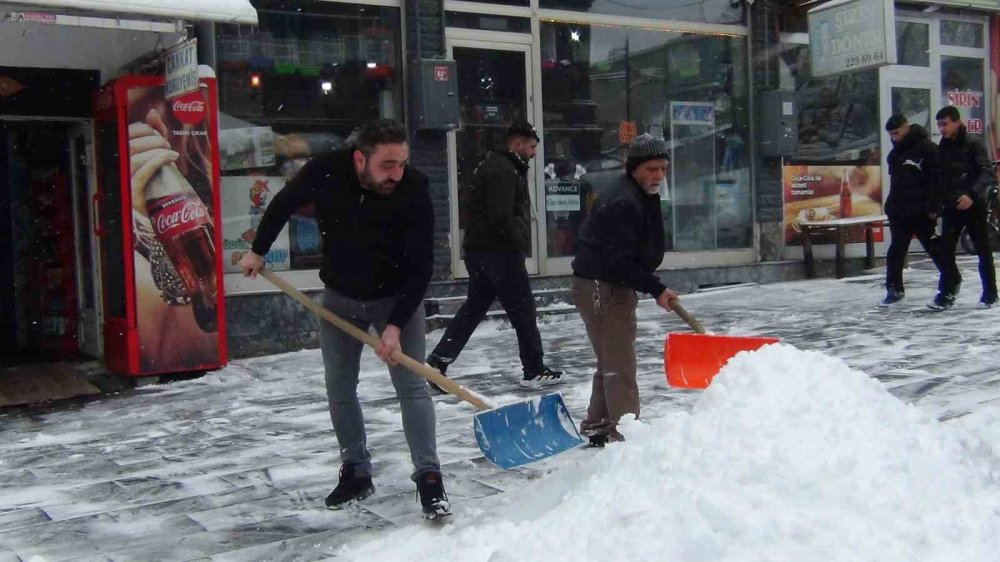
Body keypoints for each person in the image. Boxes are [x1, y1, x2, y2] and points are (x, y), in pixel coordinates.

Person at [238, 120, 450, 519]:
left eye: (402, 163)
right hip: (339, 299)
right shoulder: (326, 170)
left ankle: (429, 476)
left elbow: (422, 266)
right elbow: (283, 203)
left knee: (412, 387)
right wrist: (258, 250)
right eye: (387, 165)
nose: (396, 174)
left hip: (395, 299)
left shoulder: (413, 189)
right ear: (359, 158)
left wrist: (394, 327)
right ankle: (356, 471)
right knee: (339, 387)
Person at [425, 122, 562, 392]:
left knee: (474, 308)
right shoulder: (503, 170)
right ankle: (534, 369)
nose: (534, 153)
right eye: (532, 147)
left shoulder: (493, 164)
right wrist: (519, 239)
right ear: (518, 144)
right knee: (523, 310)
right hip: (499, 253)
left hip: (481, 251)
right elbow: (501, 216)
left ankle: (439, 360)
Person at [570, 134, 679, 447]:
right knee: (620, 365)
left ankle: (597, 424)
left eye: (663, 168)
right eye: (651, 169)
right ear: (633, 167)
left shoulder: (638, 193)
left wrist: (649, 283)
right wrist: (656, 288)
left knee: (611, 359)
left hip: (609, 283)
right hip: (601, 287)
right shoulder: (624, 201)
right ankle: (626, 434)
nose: (658, 175)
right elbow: (617, 261)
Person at [879, 114, 952, 308]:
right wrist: (891, 207)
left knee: (935, 249)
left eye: (897, 132)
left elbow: (936, 180)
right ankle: (894, 289)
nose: (894, 137)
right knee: (896, 251)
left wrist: (933, 207)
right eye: (891, 134)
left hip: (921, 210)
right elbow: (896, 183)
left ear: (906, 127)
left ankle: (950, 284)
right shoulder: (894, 155)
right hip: (899, 210)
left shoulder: (927, 148)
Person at [935, 106, 997, 309]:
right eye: (939, 125)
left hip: (973, 206)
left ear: (957, 122)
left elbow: (987, 173)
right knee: (945, 251)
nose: (942, 129)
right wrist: (941, 200)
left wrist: (971, 195)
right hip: (951, 206)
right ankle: (947, 292)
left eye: (945, 124)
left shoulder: (973, 143)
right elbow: (941, 176)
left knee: (982, 250)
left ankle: (990, 294)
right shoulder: (943, 146)